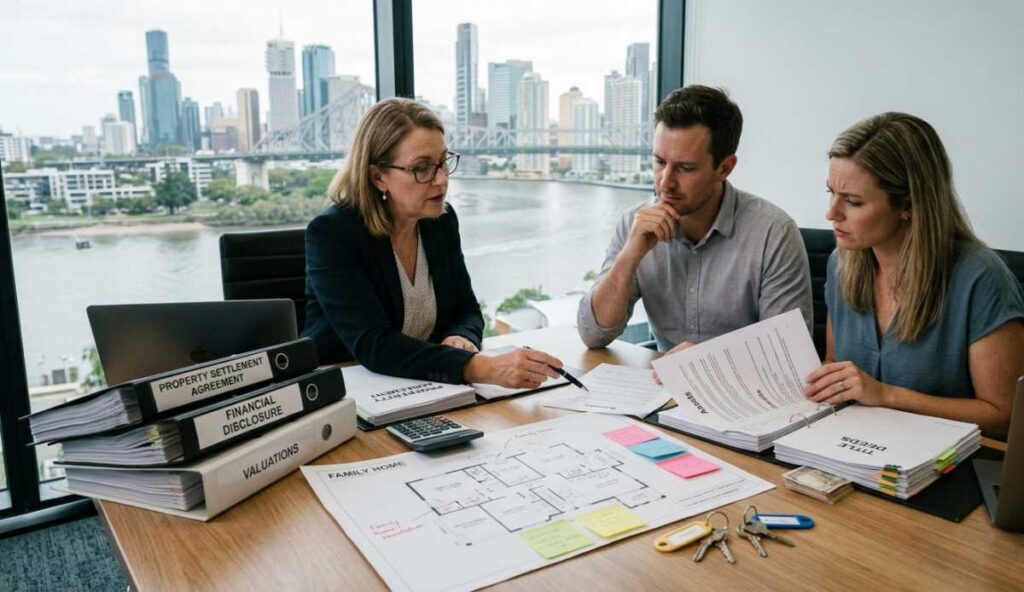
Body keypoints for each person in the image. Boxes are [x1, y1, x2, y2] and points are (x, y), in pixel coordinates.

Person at [302, 97, 563, 388]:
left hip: (421, 387)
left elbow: (466, 310)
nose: (440, 180)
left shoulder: (440, 220)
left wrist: (462, 338)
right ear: (378, 177)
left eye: (443, 162)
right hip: (343, 390)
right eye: (422, 168)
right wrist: (480, 367)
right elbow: (374, 344)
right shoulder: (333, 234)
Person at [805, 112, 1024, 437]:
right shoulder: (842, 263)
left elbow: (1005, 416)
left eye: (852, 201)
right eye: (830, 193)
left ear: (908, 205)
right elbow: (835, 369)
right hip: (857, 448)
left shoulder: (981, 278)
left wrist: (887, 395)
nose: (831, 213)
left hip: (950, 465)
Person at [578, 85, 812, 355]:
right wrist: (630, 254)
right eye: (659, 162)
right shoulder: (635, 223)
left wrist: (707, 361)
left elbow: (787, 354)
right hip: (665, 391)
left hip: (744, 393)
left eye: (685, 168)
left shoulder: (773, 233)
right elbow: (592, 335)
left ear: (725, 168)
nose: (666, 183)